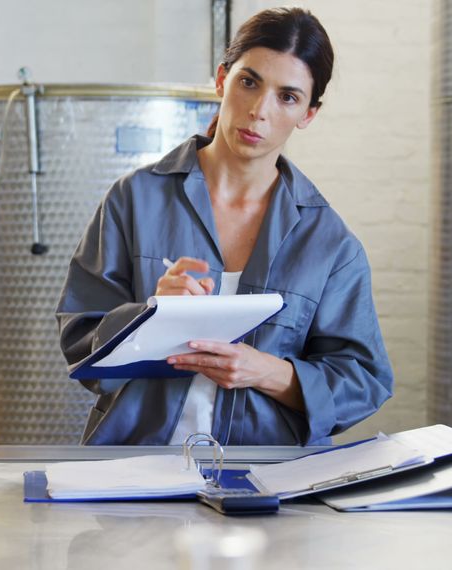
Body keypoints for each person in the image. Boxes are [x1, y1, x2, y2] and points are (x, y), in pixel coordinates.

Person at [56, 7, 393, 446]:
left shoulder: (330, 243)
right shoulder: (134, 199)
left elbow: (363, 380)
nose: (258, 111)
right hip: (135, 470)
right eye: (248, 82)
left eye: (287, 97)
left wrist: (271, 373)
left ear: (309, 113)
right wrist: (150, 315)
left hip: (268, 480)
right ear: (221, 80)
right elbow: (80, 339)